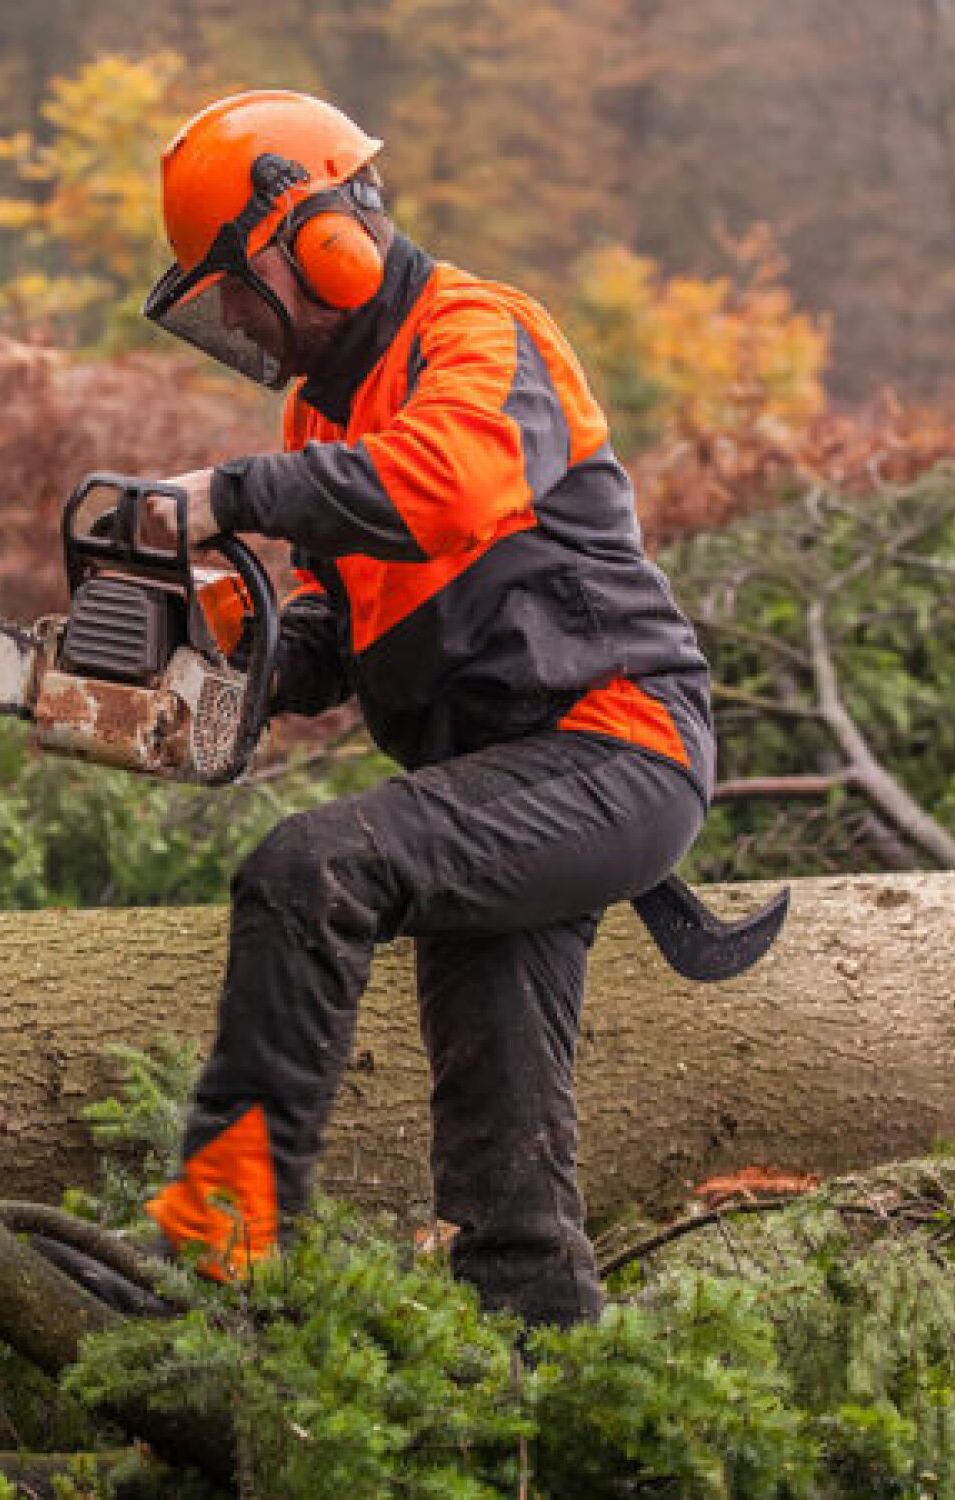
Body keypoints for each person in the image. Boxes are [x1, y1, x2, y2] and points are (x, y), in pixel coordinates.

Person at [133, 90, 714, 1327]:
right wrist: (226, 660)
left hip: (613, 747)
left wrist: (229, 494)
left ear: (320, 240)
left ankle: (219, 1244)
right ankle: (546, 1382)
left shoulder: (480, 332)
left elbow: (444, 485)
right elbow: (337, 628)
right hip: (500, 789)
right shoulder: (316, 413)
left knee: (313, 867)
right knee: (499, 1160)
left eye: (237, 283)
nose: (231, 316)